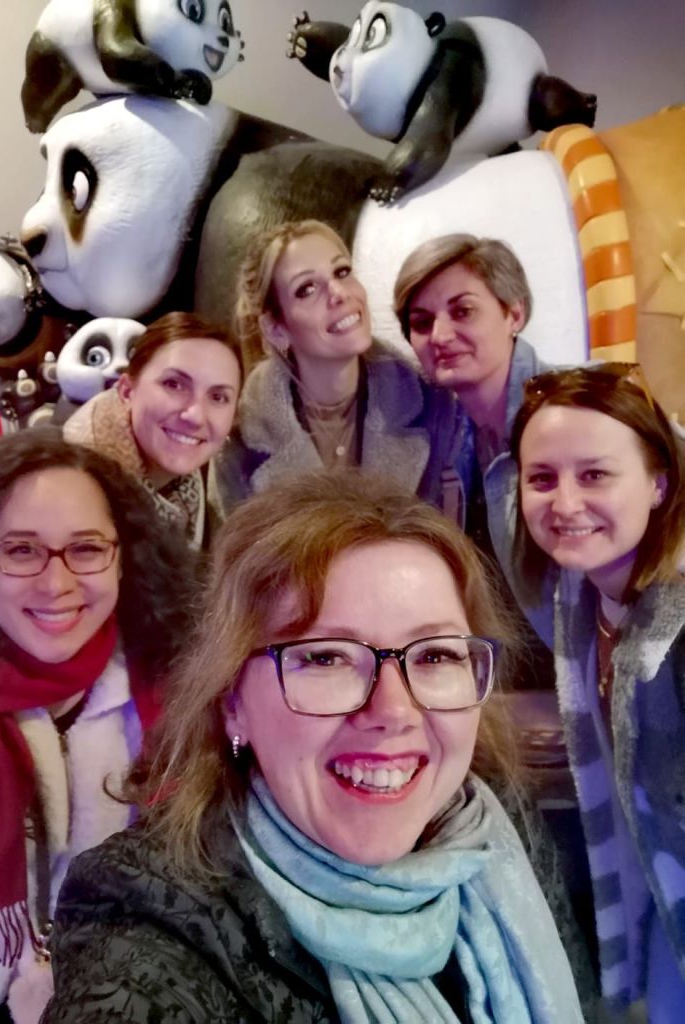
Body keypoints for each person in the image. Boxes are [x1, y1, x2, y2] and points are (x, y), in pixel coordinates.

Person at [42, 470, 592, 1024]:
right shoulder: (143, 911)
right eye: (326, 657)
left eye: (435, 655)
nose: (394, 712)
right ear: (232, 701)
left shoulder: (497, 825)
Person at [0, 428, 195, 1024]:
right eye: (21, 550)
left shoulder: (175, 689)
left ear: (124, 556)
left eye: (87, 549)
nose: (56, 583)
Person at [511, 364, 685, 1021]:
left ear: (659, 483)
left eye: (594, 475)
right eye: (541, 478)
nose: (564, 503)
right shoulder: (580, 598)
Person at [393, 233, 557, 693]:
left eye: (463, 311)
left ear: (514, 313)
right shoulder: (441, 435)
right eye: (422, 322)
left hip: (594, 684)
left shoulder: (579, 404)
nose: (440, 336)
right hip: (500, 685)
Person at [212, 219, 456, 514]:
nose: (339, 292)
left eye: (342, 272)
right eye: (307, 289)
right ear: (277, 329)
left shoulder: (433, 405)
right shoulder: (237, 442)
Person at [64, 310, 242, 548]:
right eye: (174, 384)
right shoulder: (75, 499)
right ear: (127, 390)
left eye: (218, 397)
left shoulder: (184, 484)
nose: (196, 416)